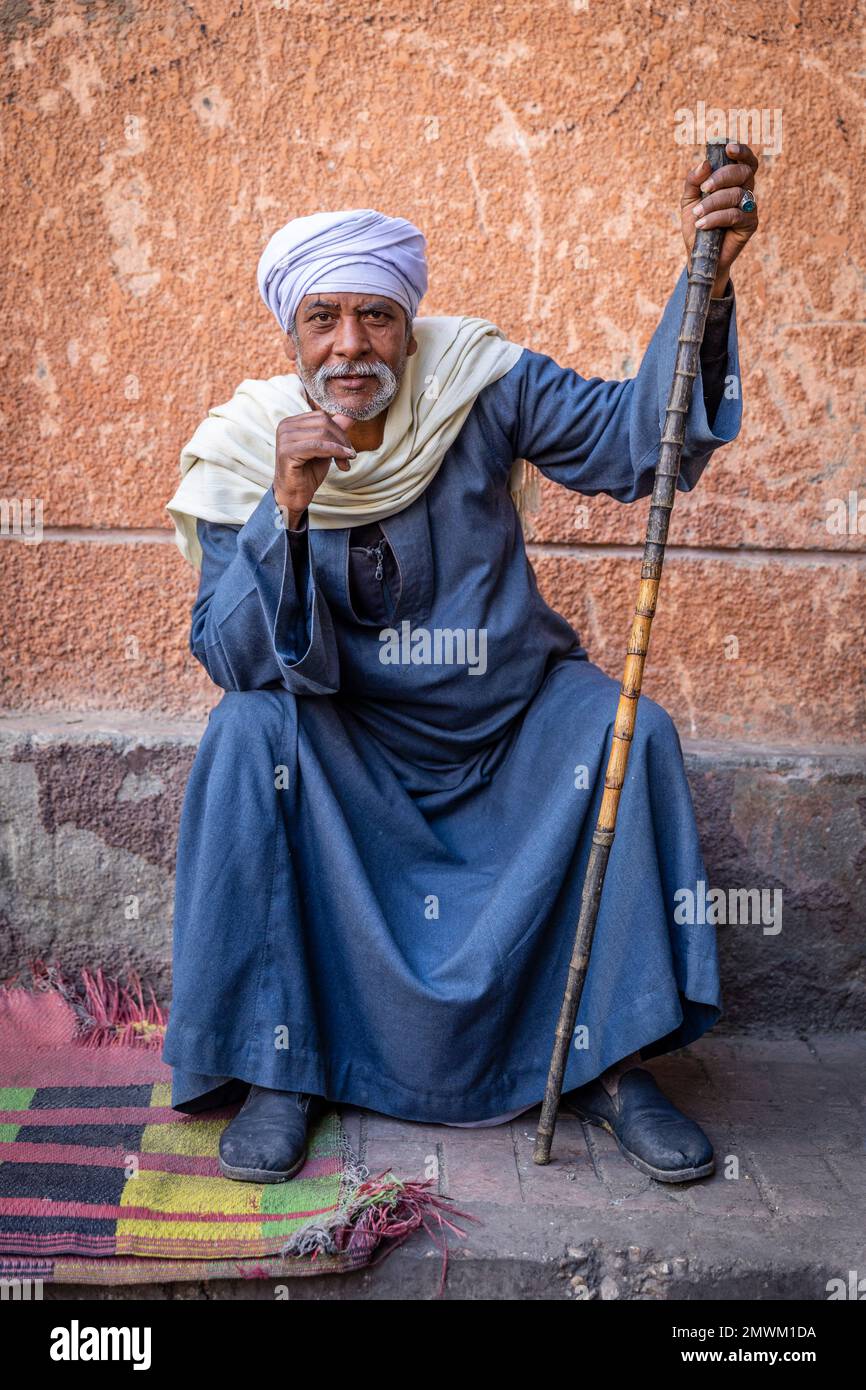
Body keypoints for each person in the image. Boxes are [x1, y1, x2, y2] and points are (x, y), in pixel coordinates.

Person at [163, 142, 759, 1186]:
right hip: (350, 751)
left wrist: (701, 287)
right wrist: (284, 512)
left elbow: (636, 445)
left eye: (376, 317)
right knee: (246, 733)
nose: (352, 344)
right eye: (323, 319)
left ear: (409, 323)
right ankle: (279, 1066)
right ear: (292, 333)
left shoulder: (478, 381)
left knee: (625, 726)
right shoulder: (248, 443)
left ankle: (609, 1061)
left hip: (508, 732)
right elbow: (232, 655)